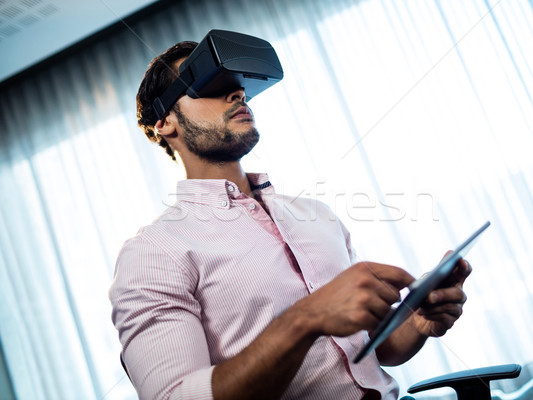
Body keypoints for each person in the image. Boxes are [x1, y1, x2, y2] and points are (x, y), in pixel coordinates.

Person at [109, 39, 471, 400]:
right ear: (165, 123)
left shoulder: (316, 215)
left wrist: (418, 321)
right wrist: (305, 319)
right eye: (212, 86)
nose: (237, 93)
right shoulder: (153, 254)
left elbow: (376, 350)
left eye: (239, 87)